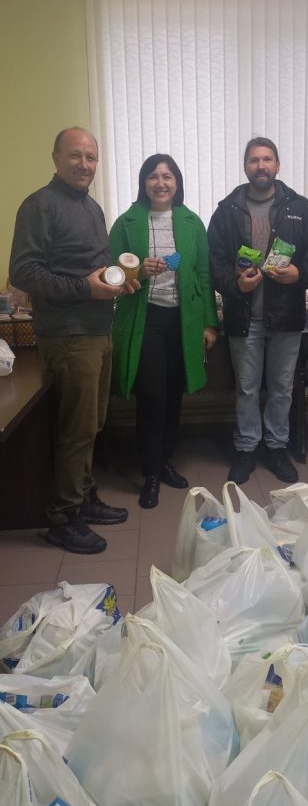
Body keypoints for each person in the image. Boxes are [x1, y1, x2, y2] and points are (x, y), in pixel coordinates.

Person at [9, 126, 134, 554]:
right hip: (68, 335)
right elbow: (24, 273)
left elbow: (91, 268)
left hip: (99, 329)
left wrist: (118, 281)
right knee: (76, 429)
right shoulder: (39, 206)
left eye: (92, 158)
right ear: (56, 158)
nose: (85, 165)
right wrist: (87, 289)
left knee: (93, 424)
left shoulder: (92, 209)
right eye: (76, 156)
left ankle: (83, 496)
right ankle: (62, 517)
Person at [208, 136, 308, 485]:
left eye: (267, 159)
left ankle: (276, 447)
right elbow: (213, 262)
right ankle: (246, 449)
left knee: (281, 387)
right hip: (244, 317)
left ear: (277, 165)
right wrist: (234, 282)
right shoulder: (227, 210)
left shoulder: (299, 208)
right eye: (255, 160)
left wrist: (299, 274)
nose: (261, 165)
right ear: (246, 166)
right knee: (245, 388)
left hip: (286, 317)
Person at [109, 153, 218, 509]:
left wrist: (208, 323)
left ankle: (165, 461)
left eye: (168, 176)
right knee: (152, 397)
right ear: (144, 183)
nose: (161, 182)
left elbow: (203, 275)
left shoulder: (191, 222)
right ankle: (151, 473)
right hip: (146, 321)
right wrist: (139, 272)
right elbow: (111, 274)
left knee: (174, 395)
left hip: (182, 322)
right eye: (153, 176)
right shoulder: (127, 222)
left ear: (177, 183)